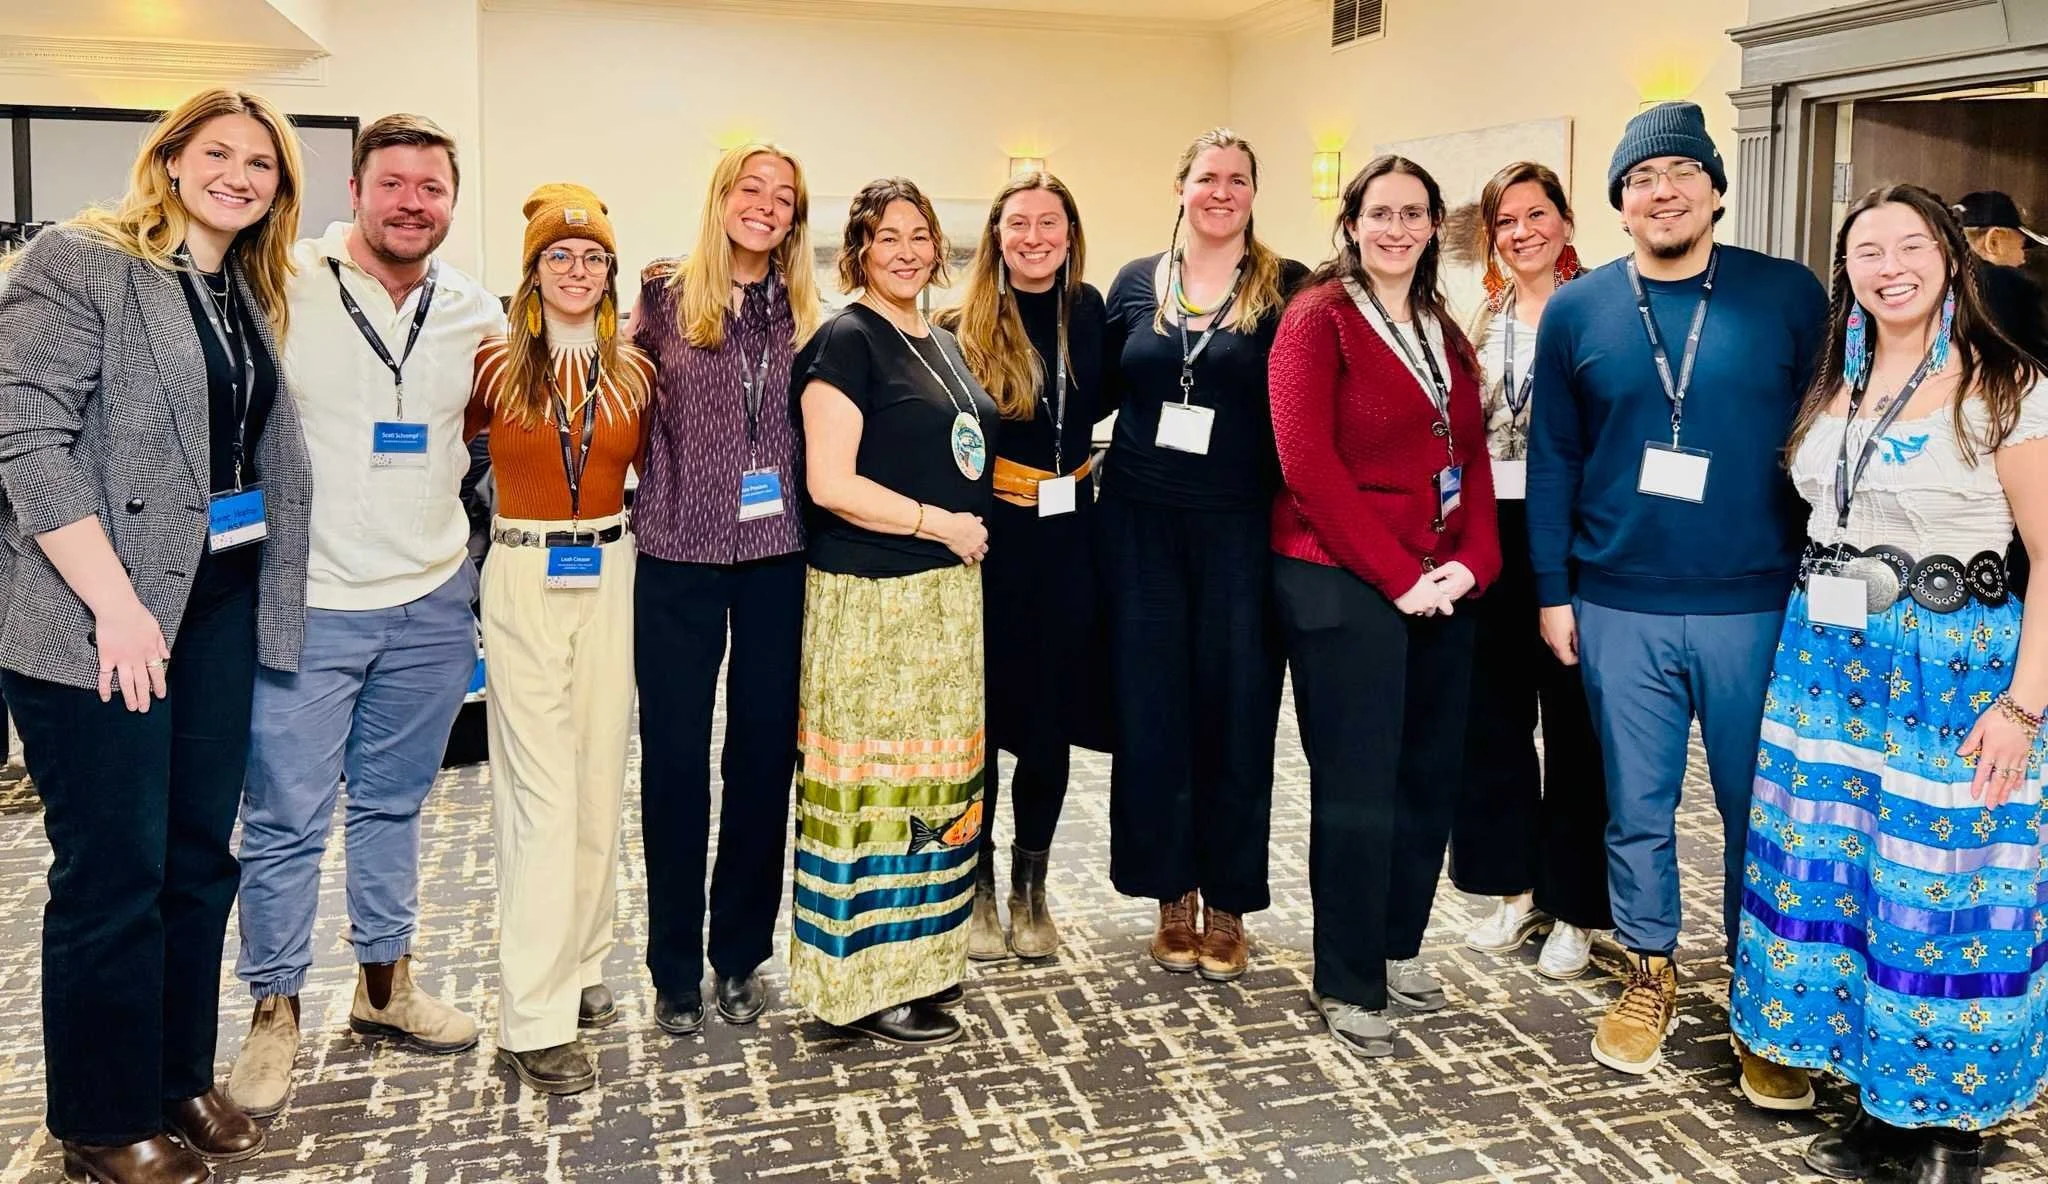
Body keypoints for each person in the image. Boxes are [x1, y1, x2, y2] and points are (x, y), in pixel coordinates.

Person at [0, 88, 310, 1183]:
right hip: (97, 615)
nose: (238, 176)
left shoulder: (241, 286)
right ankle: (101, 1118)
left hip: (212, 605)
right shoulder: (79, 259)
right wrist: (114, 604)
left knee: (195, 860)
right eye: (217, 153)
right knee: (115, 872)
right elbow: (23, 434)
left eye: (261, 164)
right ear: (170, 159)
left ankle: (176, 1077)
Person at [1731, 184, 2048, 1184]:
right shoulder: (1840, 377)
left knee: (1944, 884)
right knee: (1848, 873)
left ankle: (1951, 1127)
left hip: (1953, 667)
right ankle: (1884, 1096)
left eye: (1911, 245)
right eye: (1867, 250)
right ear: (1847, 271)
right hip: (1830, 665)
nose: (1889, 266)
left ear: (1951, 257)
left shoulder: (2006, 385)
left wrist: (2021, 706)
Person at [1524, 101, 1827, 1107]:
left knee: (1762, 811)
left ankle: (1763, 998)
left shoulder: (1786, 295)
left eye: (1680, 173)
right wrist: (1552, 592)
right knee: (1636, 805)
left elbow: (1831, 438)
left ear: (1713, 188)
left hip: (1758, 602)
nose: (1662, 192)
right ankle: (1647, 969)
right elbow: (1553, 458)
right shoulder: (1577, 311)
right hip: (1618, 601)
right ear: (1618, 203)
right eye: (1640, 179)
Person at [229, 113, 507, 1119]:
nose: (411, 204)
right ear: (355, 190)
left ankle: (384, 985)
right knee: (285, 819)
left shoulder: (473, 310)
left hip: (429, 602)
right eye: (392, 184)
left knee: (393, 806)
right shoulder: (283, 280)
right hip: (308, 601)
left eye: (431, 188)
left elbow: (490, 432)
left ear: (451, 201)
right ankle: (273, 1012)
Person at [1269, 155, 1499, 1055]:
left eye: (1413, 213)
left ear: (1435, 225)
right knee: (1359, 785)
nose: (1396, 229)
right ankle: (1348, 974)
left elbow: (1470, 457)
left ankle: (1399, 943)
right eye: (1380, 213)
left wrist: (1473, 564)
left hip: (1441, 583)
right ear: (1352, 223)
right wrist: (1399, 575)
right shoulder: (1317, 318)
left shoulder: (1442, 327)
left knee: (1427, 777)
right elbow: (1307, 467)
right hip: (1341, 576)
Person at [789, 177, 999, 1046]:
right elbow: (830, 483)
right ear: (858, 252)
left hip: (944, 599)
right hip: (872, 603)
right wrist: (937, 523)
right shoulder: (846, 340)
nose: (908, 252)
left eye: (920, 236)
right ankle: (863, 983)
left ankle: (920, 964)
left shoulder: (939, 339)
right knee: (874, 789)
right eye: (888, 238)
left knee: (937, 785)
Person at [1100, 128, 1305, 982]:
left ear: (1254, 193)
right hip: (1139, 526)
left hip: (1239, 531)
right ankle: (1170, 896)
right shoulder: (1134, 282)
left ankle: (1227, 904)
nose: (1222, 191)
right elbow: (1091, 386)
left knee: (1237, 713)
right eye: (1208, 177)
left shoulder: (1288, 287)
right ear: (1180, 186)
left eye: (1238, 180)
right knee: (1152, 713)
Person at [467, 184, 654, 1094]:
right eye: (559, 256)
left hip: (610, 570)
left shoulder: (635, 374)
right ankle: (531, 1017)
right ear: (533, 271)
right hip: (524, 572)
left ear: (610, 273)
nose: (577, 270)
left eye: (592, 258)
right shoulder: (491, 368)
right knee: (539, 794)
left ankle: (581, 963)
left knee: (595, 779)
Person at [631, 143, 821, 1036]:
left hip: (780, 555)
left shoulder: (810, 314)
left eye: (784, 197)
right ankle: (673, 965)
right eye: (753, 189)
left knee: (760, 760)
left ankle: (739, 953)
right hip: (678, 552)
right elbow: (620, 403)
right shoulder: (663, 295)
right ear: (721, 197)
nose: (767, 206)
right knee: (674, 762)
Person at [933, 171, 1108, 962]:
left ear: (1070, 234)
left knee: (1049, 723)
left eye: (1049, 223)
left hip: (1070, 541)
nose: (1034, 238)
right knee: (983, 719)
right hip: (990, 541)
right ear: (996, 238)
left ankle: (1030, 887)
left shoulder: (1092, 312)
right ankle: (973, 882)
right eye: (1018, 225)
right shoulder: (958, 323)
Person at [1449, 161, 1612, 981]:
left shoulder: (1602, 314)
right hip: (1488, 535)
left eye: (1537, 214)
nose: (1522, 232)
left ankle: (1575, 906)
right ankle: (1513, 888)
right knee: (1492, 724)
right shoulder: (1479, 321)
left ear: (1566, 221)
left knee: (1577, 727)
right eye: (1505, 221)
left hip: (1575, 537)